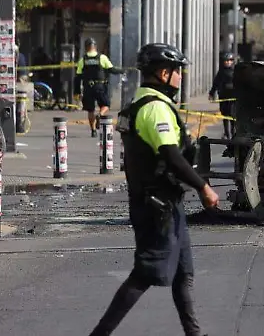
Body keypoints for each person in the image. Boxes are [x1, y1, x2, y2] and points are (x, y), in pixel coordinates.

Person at [88, 43, 218, 336]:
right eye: (177, 72)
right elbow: (171, 155)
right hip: (156, 207)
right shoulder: (155, 108)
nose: (180, 77)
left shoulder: (142, 102)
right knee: (145, 274)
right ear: (163, 73)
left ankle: (194, 334)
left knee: (183, 274)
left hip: (167, 202)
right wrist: (203, 187)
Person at [77, 38, 123, 138]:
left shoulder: (83, 60)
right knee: (106, 104)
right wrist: (122, 71)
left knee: (90, 110)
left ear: (86, 48)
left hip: (88, 88)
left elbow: (78, 76)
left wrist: (77, 91)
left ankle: (93, 130)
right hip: (100, 86)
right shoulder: (102, 57)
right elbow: (112, 69)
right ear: (95, 47)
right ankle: (101, 114)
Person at [208, 52, 237, 141]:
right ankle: (227, 134)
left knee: (233, 117)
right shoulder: (221, 72)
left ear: (232, 61)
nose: (227, 62)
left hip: (233, 99)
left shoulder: (235, 72)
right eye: (226, 61)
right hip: (223, 97)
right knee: (225, 116)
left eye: (229, 61)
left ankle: (234, 134)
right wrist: (212, 93)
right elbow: (216, 83)